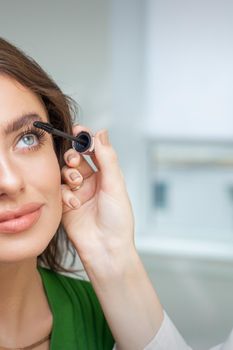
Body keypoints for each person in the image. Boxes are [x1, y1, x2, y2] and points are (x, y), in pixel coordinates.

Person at [0, 37, 231, 350]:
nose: (10, 182)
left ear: (59, 153)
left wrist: (111, 253)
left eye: (28, 138)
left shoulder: (116, 324)